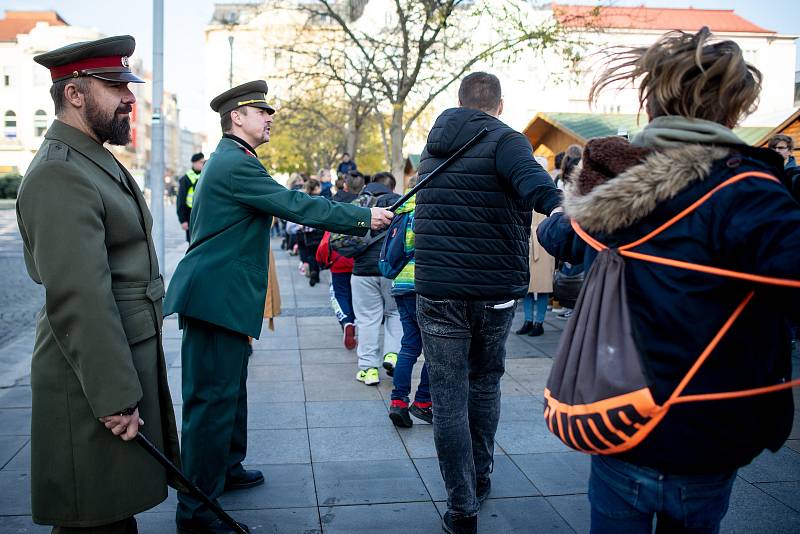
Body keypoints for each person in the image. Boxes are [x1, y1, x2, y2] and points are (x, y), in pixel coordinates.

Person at [537, 28, 800, 533]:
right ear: (733, 109)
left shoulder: (611, 178)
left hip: (614, 412)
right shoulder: (749, 191)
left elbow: (557, 235)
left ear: (653, 102)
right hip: (710, 429)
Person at [163, 80, 392, 534]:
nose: (269, 117)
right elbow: (294, 204)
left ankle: (226, 468)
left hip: (223, 296)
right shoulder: (234, 164)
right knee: (210, 403)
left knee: (227, 390)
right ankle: (197, 513)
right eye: (261, 111)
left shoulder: (236, 159)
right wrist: (362, 217)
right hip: (215, 297)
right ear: (237, 118)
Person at [16, 35, 180, 532]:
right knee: (92, 512)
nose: (130, 97)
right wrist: (114, 396)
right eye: (114, 85)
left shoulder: (90, 156)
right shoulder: (59, 174)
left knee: (109, 508)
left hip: (113, 360)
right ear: (75, 94)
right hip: (89, 377)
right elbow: (79, 297)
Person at [414, 71, 561, 533]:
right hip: (493, 292)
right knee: (484, 383)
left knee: (448, 395)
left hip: (438, 290)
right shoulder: (507, 139)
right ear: (499, 104)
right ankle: (479, 476)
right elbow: (537, 186)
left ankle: (462, 507)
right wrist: (559, 208)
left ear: (460, 102)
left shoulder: (434, 145)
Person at [386, 177, 433, 428]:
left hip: (401, 284)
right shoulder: (427, 208)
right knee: (434, 350)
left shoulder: (403, 208)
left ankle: (398, 402)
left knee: (409, 347)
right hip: (423, 284)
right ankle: (424, 402)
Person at [350, 171, 403, 386]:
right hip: (392, 269)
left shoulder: (360, 203)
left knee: (367, 319)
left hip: (362, 270)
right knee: (395, 313)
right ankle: (392, 355)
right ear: (392, 186)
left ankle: (368, 369)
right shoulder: (402, 203)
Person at [516, 158, 556, 337]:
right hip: (527, 241)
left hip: (543, 242)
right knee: (527, 287)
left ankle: (539, 322)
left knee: (542, 286)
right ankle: (528, 320)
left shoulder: (550, 189)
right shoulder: (524, 188)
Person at [316, 230, 357, 348]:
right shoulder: (359, 221)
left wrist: (323, 261)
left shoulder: (334, 224)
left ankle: (346, 321)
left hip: (337, 265)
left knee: (340, 295)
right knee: (353, 296)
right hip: (356, 264)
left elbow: (323, 246)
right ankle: (353, 321)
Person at [298, 178, 325, 286]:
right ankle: (316, 273)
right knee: (318, 253)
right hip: (319, 230)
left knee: (310, 253)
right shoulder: (322, 199)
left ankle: (313, 270)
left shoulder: (305, 200)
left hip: (307, 232)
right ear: (317, 188)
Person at [176, 152, 205, 242]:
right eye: (201, 162)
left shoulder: (205, 175)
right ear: (194, 163)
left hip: (203, 213)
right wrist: (183, 220)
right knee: (192, 242)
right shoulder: (186, 179)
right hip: (190, 214)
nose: (203, 164)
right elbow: (180, 200)